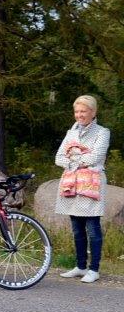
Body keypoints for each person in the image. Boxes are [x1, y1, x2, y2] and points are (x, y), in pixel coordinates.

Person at [55, 95, 110, 284]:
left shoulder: (102, 132)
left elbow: (95, 157)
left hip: (91, 184)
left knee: (93, 227)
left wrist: (72, 157)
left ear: (93, 112)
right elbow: (58, 158)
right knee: (77, 228)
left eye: (83, 111)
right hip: (72, 183)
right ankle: (80, 266)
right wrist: (81, 159)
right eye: (77, 111)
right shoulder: (71, 133)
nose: (79, 115)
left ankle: (94, 269)